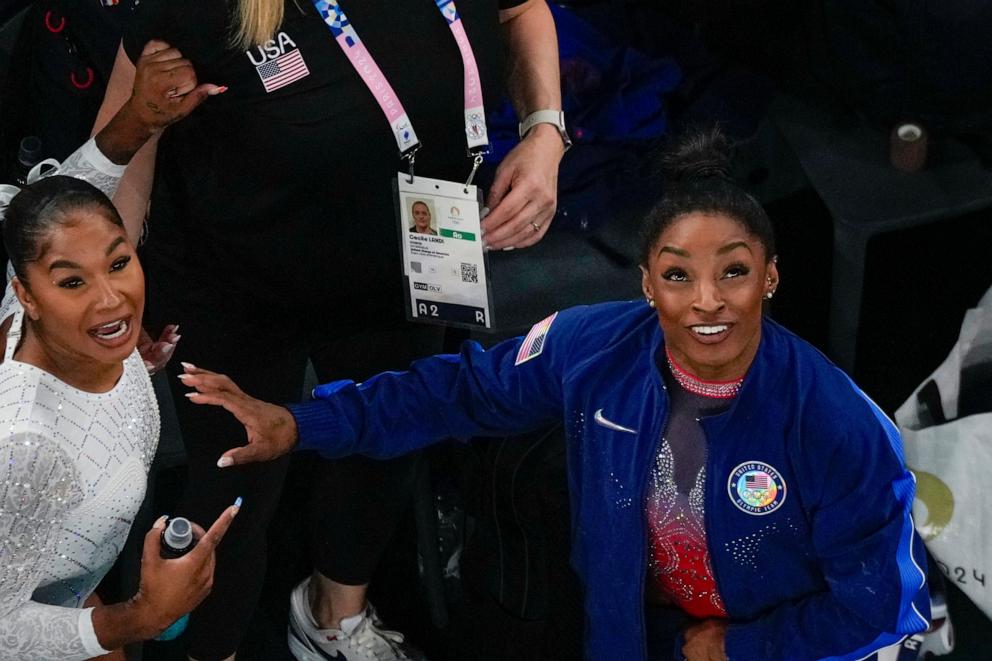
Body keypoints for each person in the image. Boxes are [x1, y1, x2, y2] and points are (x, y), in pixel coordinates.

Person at [181, 129, 930, 661]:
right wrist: (300, 422)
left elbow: (877, 605)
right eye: (677, 273)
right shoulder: (592, 348)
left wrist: (739, 646)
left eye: (733, 271)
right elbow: (455, 392)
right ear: (645, 283)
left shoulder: (837, 424)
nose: (707, 300)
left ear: (769, 276)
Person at [92, 1, 567, 659]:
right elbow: (127, 143)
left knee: (384, 445)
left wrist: (545, 130)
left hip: (406, 261)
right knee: (233, 491)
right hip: (235, 284)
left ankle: (332, 616)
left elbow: (523, 11)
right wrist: (117, 285)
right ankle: (211, 649)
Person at [0, 41, 233, 661]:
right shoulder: (22, 446)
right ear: (27, 294)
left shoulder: (31, 284)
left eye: (120, 262)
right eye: (72, 282)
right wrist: (136, 619)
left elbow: (70, 201)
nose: (112, 301)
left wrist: (141, 119)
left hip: (77, 591)